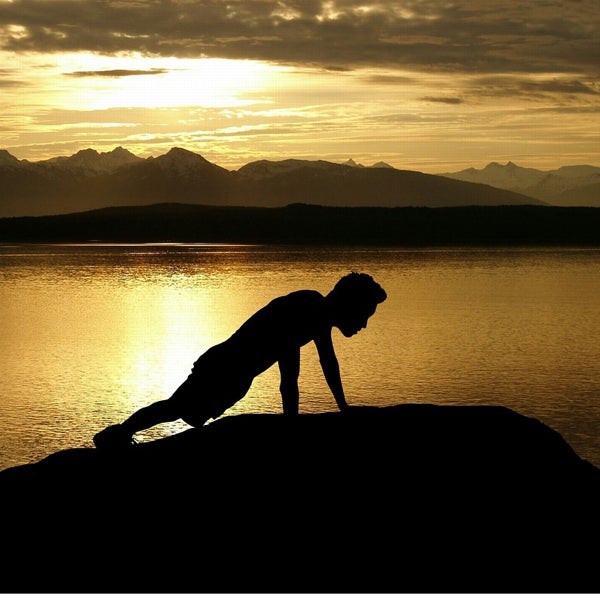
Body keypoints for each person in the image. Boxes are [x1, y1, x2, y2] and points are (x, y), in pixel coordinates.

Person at [93, 271, 387, 449]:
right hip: (224, 367)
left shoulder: (317, 316)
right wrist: (293, 427)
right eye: (364, 315)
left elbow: (328, 363)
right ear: (350, 305)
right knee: (176, 408)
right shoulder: (307, 309)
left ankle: (118, 434)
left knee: (182, 411)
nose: (363, 324)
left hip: (233, 374)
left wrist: (343, 406)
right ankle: (116, 435)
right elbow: (289, 379)